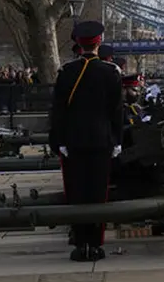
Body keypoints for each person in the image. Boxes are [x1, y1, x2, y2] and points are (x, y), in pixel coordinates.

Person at [48, 20, 124, 262]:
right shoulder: (111, 72)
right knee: (98, 193)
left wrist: (57, 141)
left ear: (78, 44)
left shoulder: (67, 72)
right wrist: (117, 140)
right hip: (102, 141)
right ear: (98, 43)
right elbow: (116, 112)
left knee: (76, 192)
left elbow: (58, 111)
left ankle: (81, 244)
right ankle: (96, 244)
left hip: (73, 142)